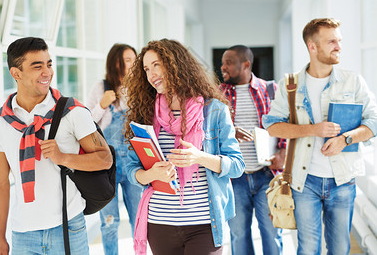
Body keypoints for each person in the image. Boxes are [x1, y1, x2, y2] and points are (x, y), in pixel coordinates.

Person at [0, 37, 112, 255]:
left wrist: (63, 157)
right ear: (16, 73)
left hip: (67, 227)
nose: (47, 72)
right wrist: (0, 238)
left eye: (49, 64)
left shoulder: (72, 111)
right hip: (23, 234)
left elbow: (105, 158)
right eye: (37, 67)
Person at [263, 18, 377, 255]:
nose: (339, 46)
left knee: (339, 248)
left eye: (340, 40)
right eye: (332, 41)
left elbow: (373, 121)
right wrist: (314, 129)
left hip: (343, 180)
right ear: (312, 47)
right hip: (305, 182)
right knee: (307, 249)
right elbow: (272, 126)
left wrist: (346, 139)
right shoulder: (290, 85)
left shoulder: (353, 81)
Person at [123, 38, 245, 255]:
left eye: (157, 65)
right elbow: (132, 172)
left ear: (176, 64)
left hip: (205, 224)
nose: (151, 75)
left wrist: (199, 157)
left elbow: (236, 165)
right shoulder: (145, 114)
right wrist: (151, 173)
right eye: (146, 69)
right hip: (159, 223)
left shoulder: (214, 110)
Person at [219, 45, 285, 255]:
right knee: (238, 235)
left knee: (272, 233)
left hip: (267, 175)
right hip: (234, 178)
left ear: (246, 64)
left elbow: (284, 123)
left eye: (228, 62)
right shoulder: (218, 95)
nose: (223, 67)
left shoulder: (271, 90)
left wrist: (282, 152)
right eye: (223, 62)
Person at [86, 43, 143, 255]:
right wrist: (102, 105)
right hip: (105, 167)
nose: (132, 65)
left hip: (134, 165)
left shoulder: (140, 88)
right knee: (109, 223)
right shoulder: (101, 87)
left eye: (134, 60)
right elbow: (86, 124)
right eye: (128, 60)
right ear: (116, 62)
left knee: (139, 220)